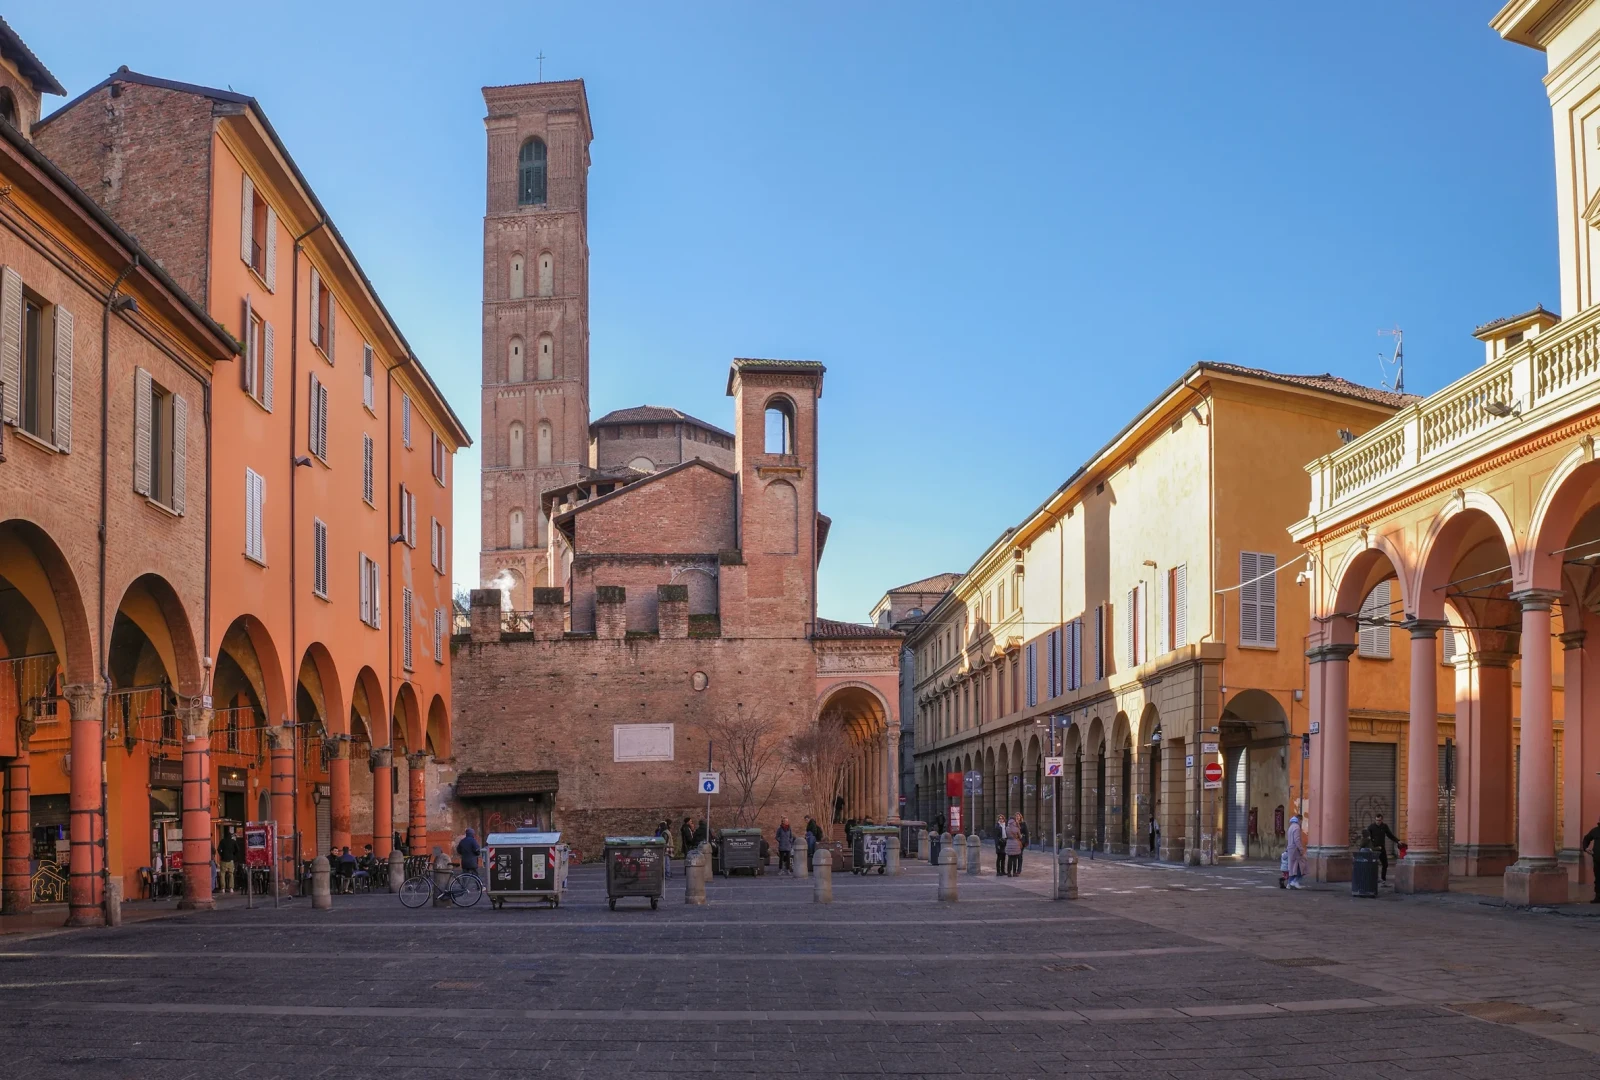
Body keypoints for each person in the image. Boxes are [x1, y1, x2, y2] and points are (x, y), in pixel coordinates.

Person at [1365, 814, 1400, 883]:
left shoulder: (1384, 826)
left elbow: (1390, 835)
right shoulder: (1371, 827)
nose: (1378, 822)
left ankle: (1383, 879)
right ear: (1375, 820)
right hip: (1374, 848)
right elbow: (1367, 838)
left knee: (1385, 864)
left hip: (1382, 848)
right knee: (1373, 864)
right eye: (1377, 820)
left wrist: (1397, 841)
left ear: (1382, 820)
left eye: (1379, 820)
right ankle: (1373, 878)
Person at [1582, 816, 1600, 904]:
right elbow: (1586, 839)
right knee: (1598, 879)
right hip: (1597, 860)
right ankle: (1598, 897)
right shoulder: (1595, 831)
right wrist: (1586, 848)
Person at [1285, 815, 1306, 889]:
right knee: (1302, 866)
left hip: (1290, 848)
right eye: (1301, 821)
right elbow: (1297, 839)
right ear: (1299, 820)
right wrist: (1301, 849)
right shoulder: (1296, 827)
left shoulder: (1291, 826)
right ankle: (1295, 881)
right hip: (1295, 849)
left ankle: (1289, 883)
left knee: (1292, 867)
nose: (1301, 823)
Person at [217, 827, 239, 894]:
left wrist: (221, 855)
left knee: (222, 874)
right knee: (231, 874)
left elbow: (218, 849)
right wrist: (234, 855)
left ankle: (223, 888)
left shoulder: (222, 841)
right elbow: (238, 849)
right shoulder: (233, 841)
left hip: (223, 860)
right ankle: (231, 888)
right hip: (231, 860)